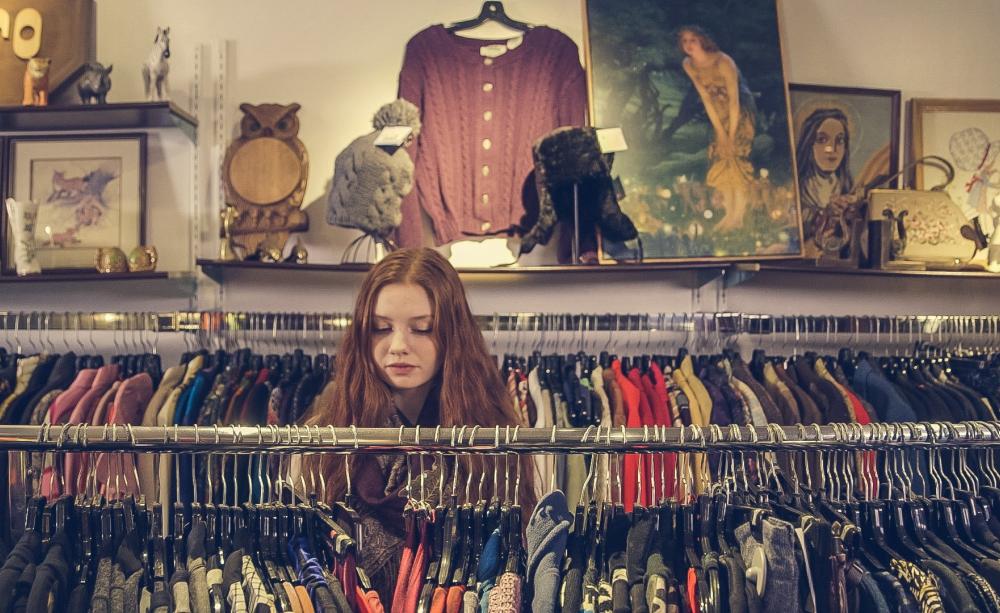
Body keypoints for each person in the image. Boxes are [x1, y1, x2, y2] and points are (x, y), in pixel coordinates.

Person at [306, 247, 535, 604]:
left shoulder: (491, 440)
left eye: (422, 329)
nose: (398, 346)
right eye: (381, 329)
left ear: (450, 334)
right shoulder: (328, 437)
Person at [678, 25, 756, 232]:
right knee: (722, 162)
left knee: (737, 162)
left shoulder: (723, 61)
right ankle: (729, 214)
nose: (688, 45)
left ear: (702, 40)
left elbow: (734, 102)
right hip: (718, 115)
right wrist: (720, 133)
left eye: (692, 40)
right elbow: (706, 98)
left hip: (739, 114)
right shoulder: (689, 64)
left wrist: (731, 135)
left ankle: (738, 215)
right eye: (684, 41)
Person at [795, 108, 860, 251]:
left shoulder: (846, 187)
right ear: (809, 144)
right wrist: (824, 215)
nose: (832, 148)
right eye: (822, 140)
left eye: (840, 140)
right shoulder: (797, 188)